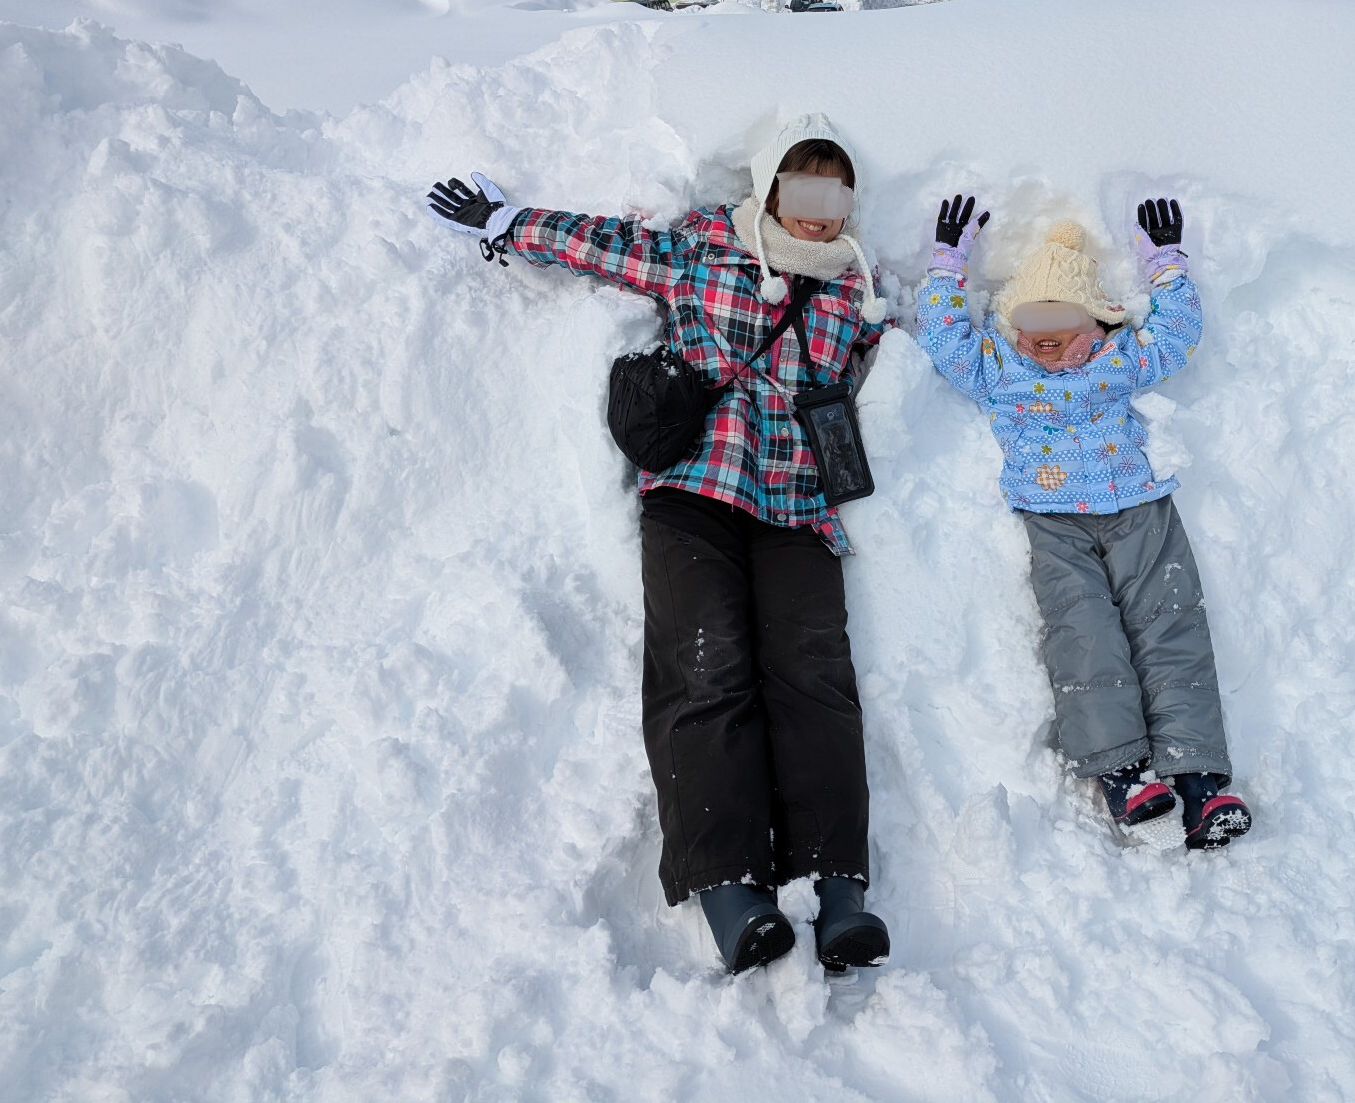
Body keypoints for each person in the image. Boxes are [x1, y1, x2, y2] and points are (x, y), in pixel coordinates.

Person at [426, 115, 893, 972]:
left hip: (796, 509)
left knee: (815, 680)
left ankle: (840, 890)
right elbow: (602, 244)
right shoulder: (702, 249)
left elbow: (906, 357)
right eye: (803, 192)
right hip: (696, 492)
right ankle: (730, 888)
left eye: (837, 197)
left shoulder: (854, 289)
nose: (822, 216)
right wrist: (508, 222)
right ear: (770, 187)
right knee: (705, 669)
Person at [913, 195, 1253, 850]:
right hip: (1054, 523)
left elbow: (1176, 333)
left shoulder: (1118, 360)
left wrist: (1166, 266)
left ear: (1095, 322)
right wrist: (946, 267)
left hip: (1139, 510)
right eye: (1030, 329)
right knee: (1085, 632)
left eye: (1059, 329)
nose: (1042, 343)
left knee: (1170, 626)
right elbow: (946, 341)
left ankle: (1200, 780)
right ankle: (1124, 775)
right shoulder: (1000, 371)